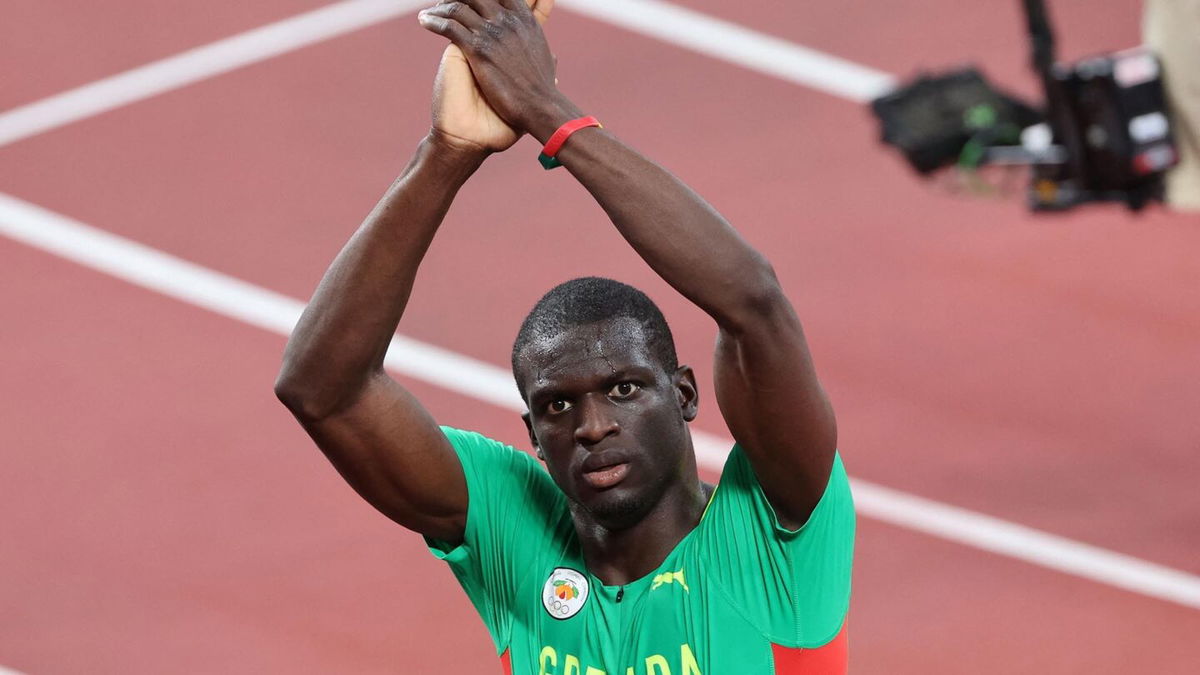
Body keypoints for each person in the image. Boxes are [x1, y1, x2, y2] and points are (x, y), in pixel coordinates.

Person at [273, 0, 855, 672]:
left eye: (625, 387)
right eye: (558, 404)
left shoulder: (773, 537)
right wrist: (447, 154)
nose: (593, 425)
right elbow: (321, 388)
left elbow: (753, 301)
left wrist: (549, 113)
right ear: (531, 431)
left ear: (685, 392)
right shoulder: (515, 535)